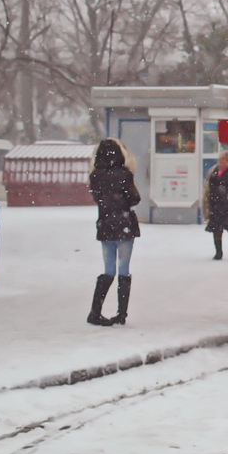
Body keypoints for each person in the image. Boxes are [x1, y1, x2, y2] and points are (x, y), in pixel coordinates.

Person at [87, 138, 140, 326]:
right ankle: (121, 313)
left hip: (105, 225)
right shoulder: (124, 174)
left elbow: (96, 197)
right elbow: (134, 198)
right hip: (123, 225)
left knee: (108, 270)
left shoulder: (95, 175)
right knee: (123, 270)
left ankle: (95, 311)